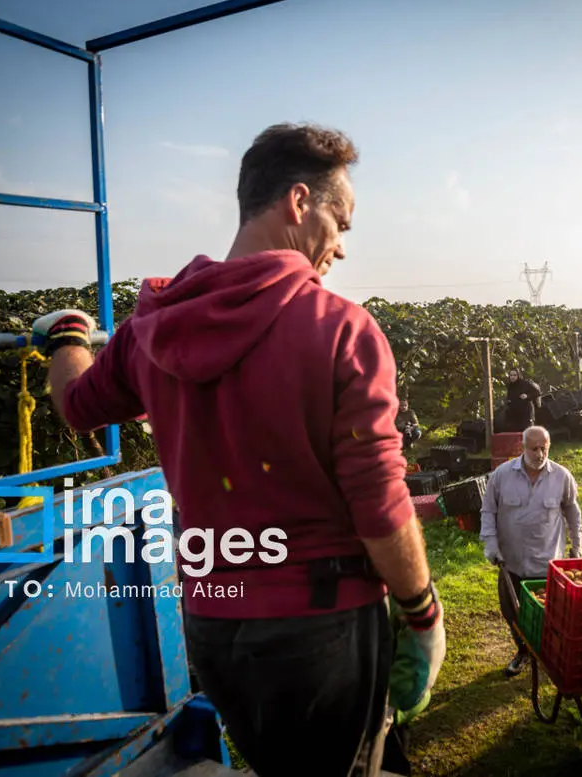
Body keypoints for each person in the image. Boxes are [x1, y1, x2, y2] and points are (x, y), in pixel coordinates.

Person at [29, 122, 445, 777]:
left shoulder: (151, 328)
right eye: (341, 222)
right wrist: (422, 612)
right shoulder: (342, 329)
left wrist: (68, 337)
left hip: (214, 625)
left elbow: (77, 404)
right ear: (299, 202)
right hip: (321, 626)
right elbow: (378, 500)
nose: (341, 245)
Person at [480, 426, 582, 676]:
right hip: (512, 562)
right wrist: (491, 544)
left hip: (547, 565)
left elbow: (572, 510)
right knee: (511, 612)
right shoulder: (502, 475)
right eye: (534, 448)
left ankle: (550, 652)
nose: (539, 454)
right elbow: (488, 511)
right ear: (522, 447)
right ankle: (523, 650)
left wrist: (577, 544)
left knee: (549, 614)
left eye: (544, 448)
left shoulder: (561, 476)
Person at [504, 367, 543, 432]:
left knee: (527, 432)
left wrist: (527, 396)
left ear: (518, 375)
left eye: (514, 375)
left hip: (526, 414)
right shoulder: (510, 386)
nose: (512, 377)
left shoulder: (525, 383)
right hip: (515, 415)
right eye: (511, 375)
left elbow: (537, 393)